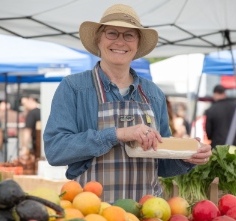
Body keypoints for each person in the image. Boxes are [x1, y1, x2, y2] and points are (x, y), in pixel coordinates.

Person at [44, 4, 212, 203]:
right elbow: (55, 150)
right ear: (99, 39)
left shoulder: (154, 94)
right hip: (90, 211)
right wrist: (118, 134)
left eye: (129, 35)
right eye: (112, 33)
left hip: (146, 211)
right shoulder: (74, 88)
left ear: (137, 43)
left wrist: (187, 157)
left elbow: (162, 164)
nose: (120, 41)